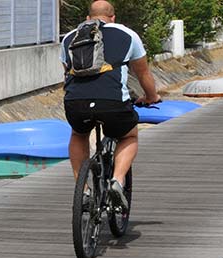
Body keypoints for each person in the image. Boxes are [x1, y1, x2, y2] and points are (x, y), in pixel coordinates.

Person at [60, 0, 160, 209]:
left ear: (88, 18)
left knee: (79, 133)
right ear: (113, 17)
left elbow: (67, 73)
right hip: (112, 101)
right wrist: (151, 96)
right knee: (129, 135)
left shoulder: (70, 37)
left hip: (75, 102)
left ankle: (84, 190)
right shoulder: (127, 34)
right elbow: (142, 73)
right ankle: (117, 180)